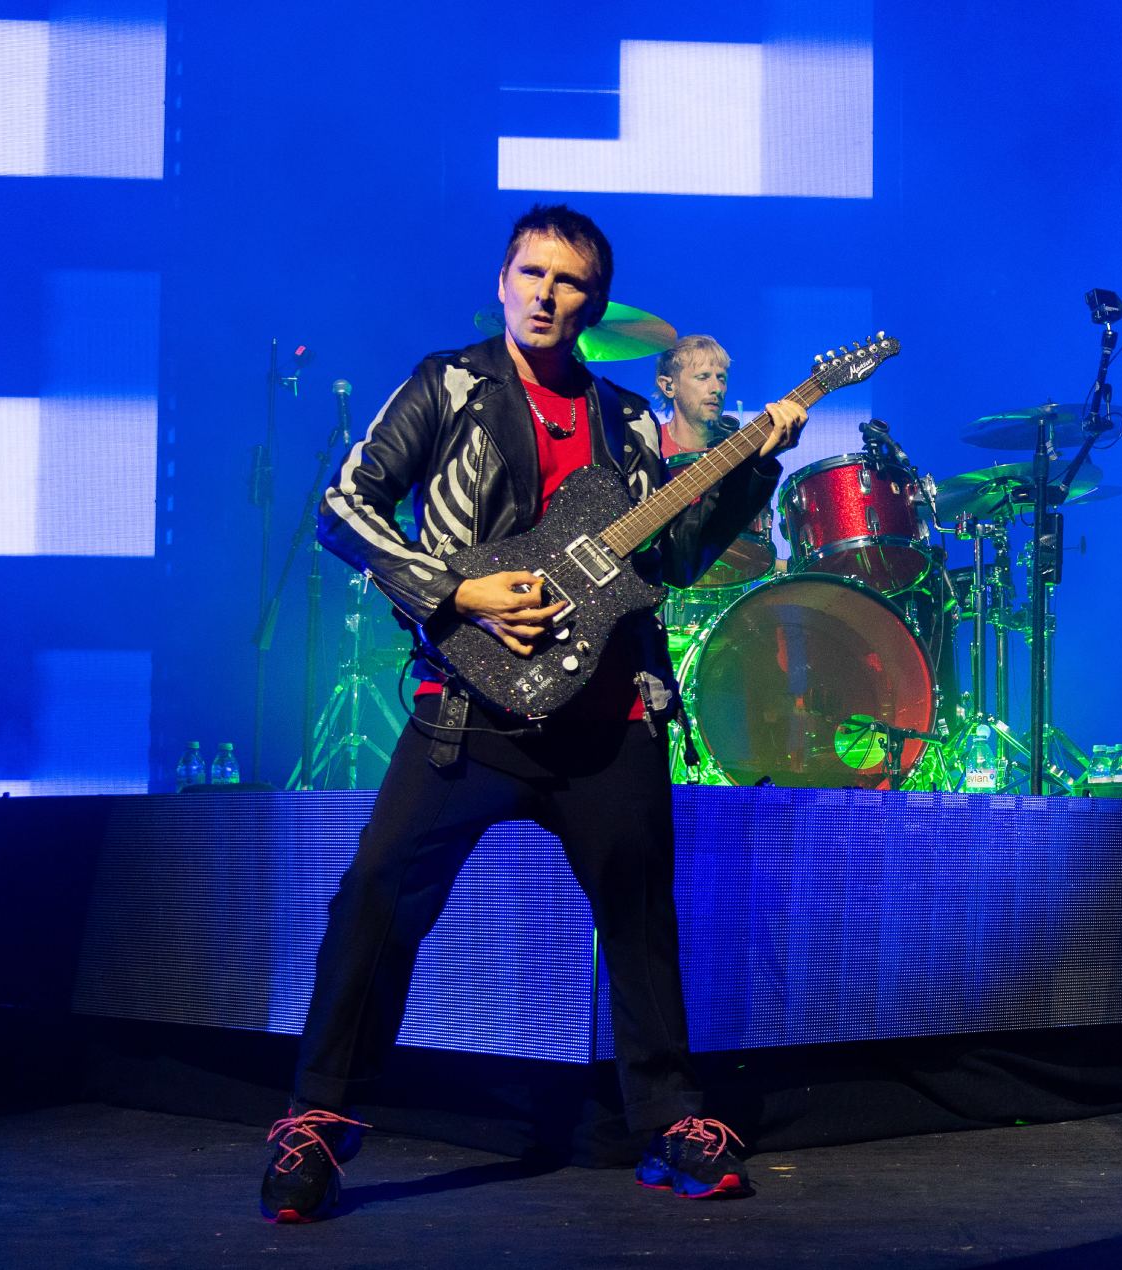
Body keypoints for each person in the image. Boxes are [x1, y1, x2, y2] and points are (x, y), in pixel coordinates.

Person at [261, 204, 806, 1221]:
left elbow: (673, 559)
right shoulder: (449, 383)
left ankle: (669, 1121)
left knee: (642, 921)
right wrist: (453, 590)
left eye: (567, 282)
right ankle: (316, 1121)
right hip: (468, 711)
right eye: (531, 273)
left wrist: (759, 460)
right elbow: (344, 506)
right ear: (504, 280)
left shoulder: (628, 423)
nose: (547, 294)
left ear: (592, 303)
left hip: (604, 715)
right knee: (376, 899)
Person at [655, 334, 735, 458]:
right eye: (703, 377)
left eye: (721, 379)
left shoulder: (735, 449)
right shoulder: (648, 448)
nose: (717, 389)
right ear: (668, 387)